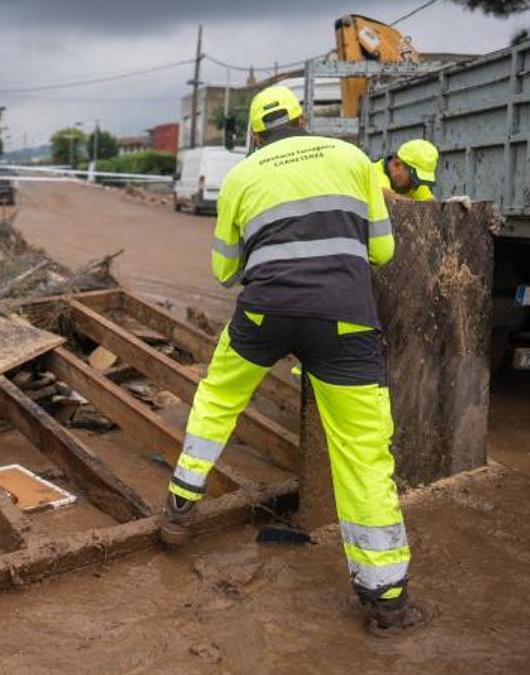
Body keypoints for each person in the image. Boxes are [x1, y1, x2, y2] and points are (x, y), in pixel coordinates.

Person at [158, 86, 427, 634]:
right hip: (345, 321)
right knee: (364, 456)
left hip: (265, 315)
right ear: (304, 121)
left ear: (256, 135)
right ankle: (387, 597)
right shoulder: (353, 161)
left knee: (218, 397)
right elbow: (382, 252)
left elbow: (224, 271)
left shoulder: (240, 177)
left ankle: (180, 506)